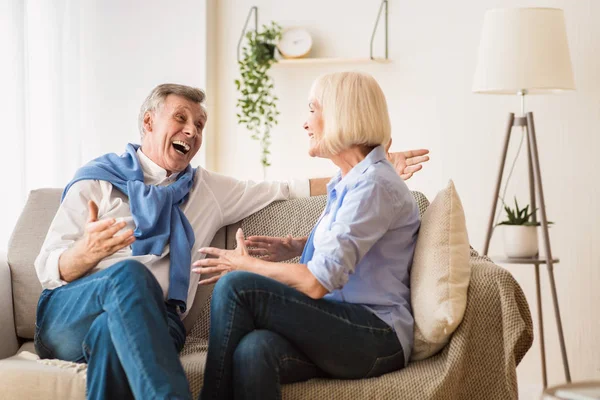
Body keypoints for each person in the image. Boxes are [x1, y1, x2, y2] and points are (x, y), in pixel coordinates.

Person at [33, 83, 428, 399]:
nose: (192, 130)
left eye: (200, 124)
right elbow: (47, 268)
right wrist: (82, 254)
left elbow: (286, 188)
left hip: (158, 321)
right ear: (149, 123)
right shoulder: (97, 181)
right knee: (129, 277)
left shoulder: (206, 189)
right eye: (181, 118)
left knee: (112, 333)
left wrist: (369, 165)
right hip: (73, 311)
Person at [194, 71, 421, 400]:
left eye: (313, 110)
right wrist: (296, 245)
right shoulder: (348, 181)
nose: (305, 123)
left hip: (376, 336)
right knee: (254, 350)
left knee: (236, 285)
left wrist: (245, 265)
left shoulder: (373, 185)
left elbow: (318, 282)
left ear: (343, 114)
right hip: (344, 324)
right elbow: (354, 241)